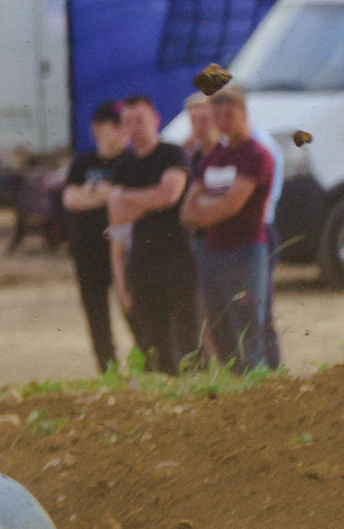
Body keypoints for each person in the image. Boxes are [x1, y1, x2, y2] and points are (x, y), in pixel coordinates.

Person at [180, 85, 278, 372]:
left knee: (248, 326)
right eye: (218, 117)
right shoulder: (213, 158)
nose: (223, 123)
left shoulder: (256, 155)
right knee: (219, 325)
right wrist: (217, 209)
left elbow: (232, 205)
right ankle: (235, 383)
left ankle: (258, 384)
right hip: (213, 251)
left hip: (246, 251)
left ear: (243, 114)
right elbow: (187, 211)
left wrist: (207, 209)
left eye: (229, 115)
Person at [108, 94, 197, 373]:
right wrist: (151, 198)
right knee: (154, 337)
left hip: (178, 257)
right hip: (142, 262)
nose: (135, 127)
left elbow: (169, 196)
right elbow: (116, 214)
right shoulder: (123, 165)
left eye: (140, 120)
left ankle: (197, 385)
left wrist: (129, 198)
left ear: (155, 119)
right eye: (128, 122)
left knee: (187, 333)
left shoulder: (172, 154)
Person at [59, 101, 127, 373]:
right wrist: (110, 194)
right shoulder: (83, 162)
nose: (123, 131)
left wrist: (93, 192)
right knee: (96, 315)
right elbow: (70, 199)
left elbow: (126, 198)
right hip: (88, 250)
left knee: (133, 307)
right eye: (116, 125)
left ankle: (150, 366)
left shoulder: (129, 161)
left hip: (123, 249)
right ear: (98, 128)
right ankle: (109, 370)